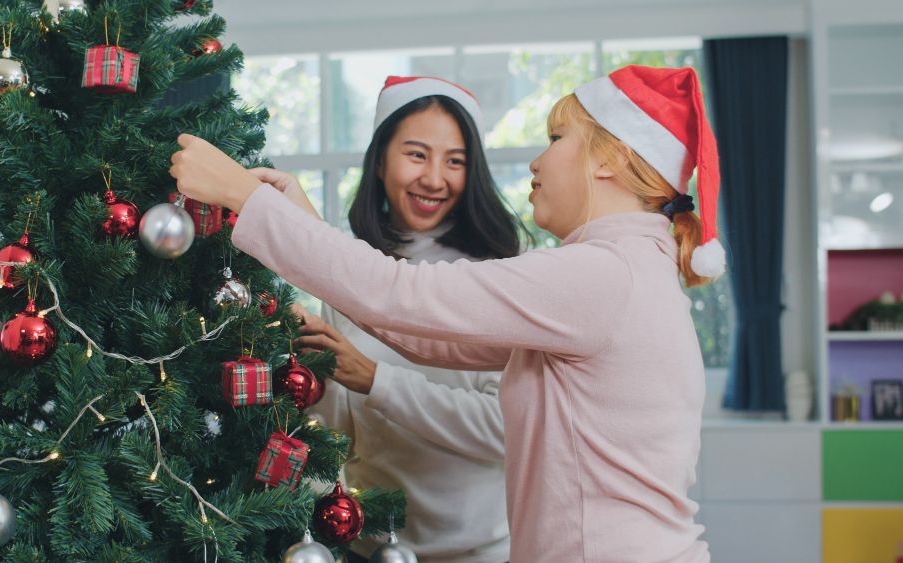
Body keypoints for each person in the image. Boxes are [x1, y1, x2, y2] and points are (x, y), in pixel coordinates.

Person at [170, 65, 725, 562]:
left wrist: (246, 195)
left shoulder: (601, 275)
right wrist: (303, 223)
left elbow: (399, 295)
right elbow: (424, 331)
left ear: (612, 159)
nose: (537, 159)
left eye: (557, 139)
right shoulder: (622, 270)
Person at [254, 76, 522, 562]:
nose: (435, 179)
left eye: (455, 161)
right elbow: (343, 438)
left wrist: (376, 379)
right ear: (380, 161)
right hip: (371, 546)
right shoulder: (355, 270)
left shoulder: (505, 274)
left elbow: (507, 429)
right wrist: (318, 367)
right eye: (416, 155)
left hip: (485, 550)